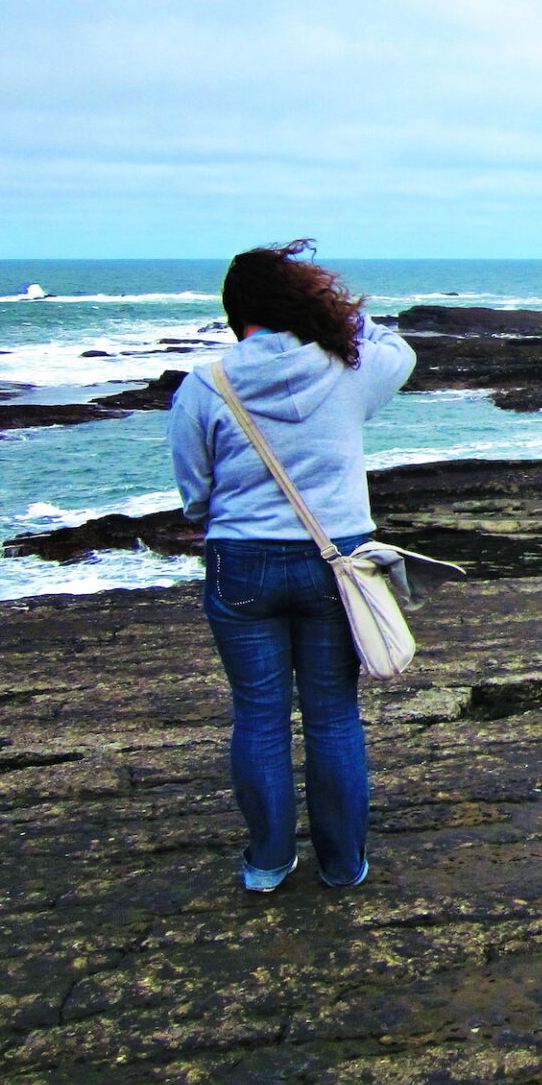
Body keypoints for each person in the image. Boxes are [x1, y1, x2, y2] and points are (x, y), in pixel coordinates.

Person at [168, 241, 415, 892]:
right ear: (298, 303)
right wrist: (342, 314)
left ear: (235, 314)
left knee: (259, 716)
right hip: (337, 564)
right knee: (333, 717)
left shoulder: (206, 384)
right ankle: (342, 865)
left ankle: (269, 864)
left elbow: (194, 495)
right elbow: (401, 351)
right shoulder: (346, 368)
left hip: (240, 563)